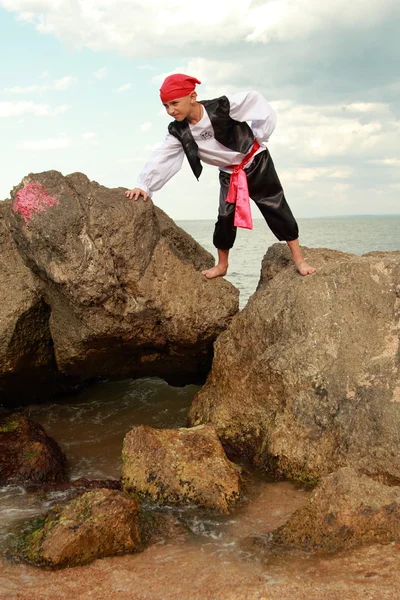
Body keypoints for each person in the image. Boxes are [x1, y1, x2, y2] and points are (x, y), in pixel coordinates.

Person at [125, 74, 316, 279]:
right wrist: (143, 185)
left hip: (255, 160)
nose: (171, 110)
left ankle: (298, 258)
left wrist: (260, 135)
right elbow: (161, 157)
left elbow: (255, 100)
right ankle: (222, 265)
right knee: (225, 217)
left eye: (174, 103)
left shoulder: (221, 107)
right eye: (165, 106)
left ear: (192, 96)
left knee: (274, 205)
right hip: (229, 172)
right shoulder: (177, 131)